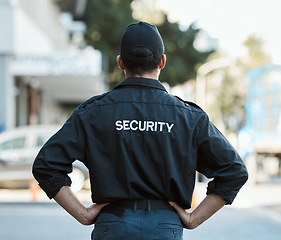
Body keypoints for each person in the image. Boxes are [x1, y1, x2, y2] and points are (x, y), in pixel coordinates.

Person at [32, 21, 248, 239]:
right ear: (162, 62)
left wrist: (83, 214)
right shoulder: (189, 117)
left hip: (113, 224)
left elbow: (46, 165)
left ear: (120, 62)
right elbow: (234, 171)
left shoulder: (93, 112)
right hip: (165, 227)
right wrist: (194, 218)